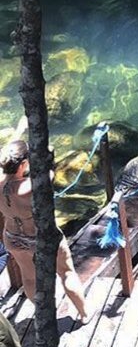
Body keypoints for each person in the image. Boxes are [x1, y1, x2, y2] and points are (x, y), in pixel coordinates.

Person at [0, 136, 89, 323]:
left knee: (30, 279)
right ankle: (84, 314)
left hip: (13, 237)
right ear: (24, 164)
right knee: (66, 272)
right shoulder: (33, 186)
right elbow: (49, 168)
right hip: (41, 237)